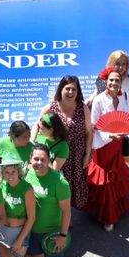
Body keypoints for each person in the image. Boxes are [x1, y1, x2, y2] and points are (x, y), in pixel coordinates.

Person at [22, 144, 71, 257]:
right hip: (32, 230)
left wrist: (63, 236)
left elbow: (66, 211)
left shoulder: (59, 182)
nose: (39, 163)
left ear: (49, 160)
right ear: (30, 160)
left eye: (43, 159)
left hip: (52, 234)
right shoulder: (26, 174)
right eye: (36, 159)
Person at [34, 76, 92, 209]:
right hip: (57, 153)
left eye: (74, 89)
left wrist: (87, 154)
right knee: (58, 183)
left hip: (77, 154)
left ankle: (70, 211)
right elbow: (37, 125)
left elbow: (89, 132)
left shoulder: (82, 108)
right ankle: (62, 213)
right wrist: (33, 143)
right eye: (67, 89)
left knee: (76, 185)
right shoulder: (51, 108)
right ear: (61, 89)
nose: (70, 92)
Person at [87, 68, 129, 230]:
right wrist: (109, 135)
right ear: (106, 82)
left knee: (116, 175)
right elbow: (94, 126)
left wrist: (125, 133)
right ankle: (108, 216)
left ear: (121, 83)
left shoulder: (124, 96)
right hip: (102, 145)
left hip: (117, 143)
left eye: (117, 80)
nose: (114, 83)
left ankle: (116, 207)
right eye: (111, 80)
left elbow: (126, 118)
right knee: (105, 177)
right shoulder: (99, 100)